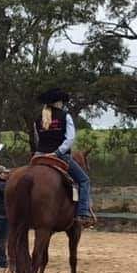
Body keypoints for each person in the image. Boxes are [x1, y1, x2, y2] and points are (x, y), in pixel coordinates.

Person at [33, 89, 94, 227]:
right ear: (58, 102)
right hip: (59, 156)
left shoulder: (38, 119)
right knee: (84, 180)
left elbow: (37, 139)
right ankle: (83, 213)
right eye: (62, 102)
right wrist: (57, 152)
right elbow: (70, 139)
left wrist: (43, 151)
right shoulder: (65, 116)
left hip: (39, 155)